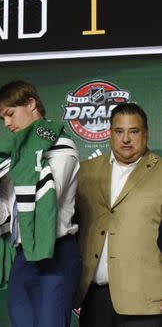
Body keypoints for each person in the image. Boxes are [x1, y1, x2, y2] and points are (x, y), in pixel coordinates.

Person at [0, 80, 81, 327]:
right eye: (3, 118)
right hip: (23, 256)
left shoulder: (62, 147)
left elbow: (45, 197)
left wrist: (13, 164)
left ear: (31, 103)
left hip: (56, 253)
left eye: (10, 114)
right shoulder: (17, 156)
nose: (7, 124)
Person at [75, 102, 162, 326]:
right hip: (94, 300)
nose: (126, 139)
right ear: (109, 134)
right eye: (119, 131)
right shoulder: (85, 171)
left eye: (134, 131)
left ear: (146, 134)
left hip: (146, 303)